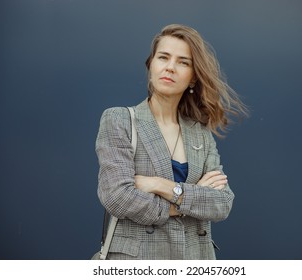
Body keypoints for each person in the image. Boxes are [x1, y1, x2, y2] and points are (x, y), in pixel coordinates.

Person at [95, 24, 248, 260]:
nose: (170, 67)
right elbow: (117, 197)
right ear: (151, 65)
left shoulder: (200, 133)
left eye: (183, 62)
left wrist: (160, 185)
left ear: (193, 78)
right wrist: (188, 201)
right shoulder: (120, 120)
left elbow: (222, 203)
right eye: (163, 57)